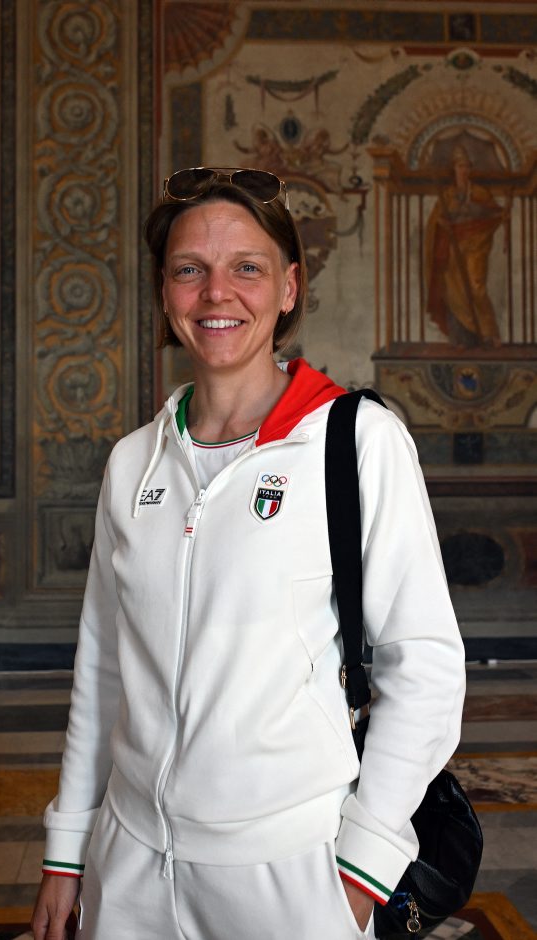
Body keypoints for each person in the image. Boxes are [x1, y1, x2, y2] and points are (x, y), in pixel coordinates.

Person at [32, 167, 466, 940]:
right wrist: (68, 851)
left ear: (289, 287)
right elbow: (101, 668)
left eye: (247, 268)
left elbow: (425, 666)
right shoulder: (132, 463)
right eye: (189, 269)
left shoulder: (357, 443)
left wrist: (359, 874)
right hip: (129, 865)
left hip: (292, 869)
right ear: (164, 292)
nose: (216, 293)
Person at [425, 145, 504, 348]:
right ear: (454, 169)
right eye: (460, 166)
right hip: (452, 249)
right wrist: (443, 223)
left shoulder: (479, 192)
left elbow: (494, 214)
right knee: (453, 292)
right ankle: (463, 338)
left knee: (476, 287)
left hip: (476, 246)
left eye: (467, 166)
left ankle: (489, 333)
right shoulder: (447, 195)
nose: (464, 170)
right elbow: (436, 221)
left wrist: (475, 214)